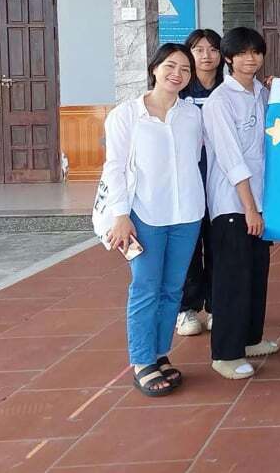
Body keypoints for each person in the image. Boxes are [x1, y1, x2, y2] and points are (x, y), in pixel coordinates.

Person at [101, 43, 204, 397]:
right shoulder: (126, 115)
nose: (177, 74)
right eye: (170, 66)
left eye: (185, 69)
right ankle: (142, 361)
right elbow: (113, 167)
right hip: (143, 215)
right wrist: (120, 215)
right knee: (145, 287)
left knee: (173, 288)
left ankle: (161, 354)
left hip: (187, 213)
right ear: (155, 68)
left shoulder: (193, 115)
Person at [203, 27, 279, 378]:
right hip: (233, 205)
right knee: (232, 279)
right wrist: (249, 207)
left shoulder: (261, 93)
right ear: (228, 58)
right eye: (244, 53)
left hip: (259, 201)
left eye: (257, 52)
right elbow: (232, 159)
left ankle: (250, 339)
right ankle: (226, 354)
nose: (251, 59)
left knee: (256, 273)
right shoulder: (221, 100)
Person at [175, 29, 223, 338]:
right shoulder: (179, 94)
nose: (206, 55)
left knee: (220, 245)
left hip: (222, 182)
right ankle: (187, 309)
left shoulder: (230, 89)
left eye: (212, 49)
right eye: (198, 49)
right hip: (189, 181)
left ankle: (219, 305)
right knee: (190, 246)